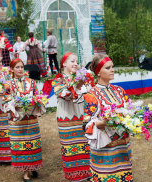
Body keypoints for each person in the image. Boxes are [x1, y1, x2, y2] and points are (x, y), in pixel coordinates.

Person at [83, 54, 133, 182]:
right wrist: (106, 122)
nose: (112, 70)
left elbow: (131, 110)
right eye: (108, 67)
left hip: (123, 145)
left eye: (112, 67)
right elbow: (87, 125)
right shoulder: (91, 95)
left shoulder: (119, 90)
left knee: (124, 176)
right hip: (105, 148)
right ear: (98, 72)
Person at [3, 58, 45, 182]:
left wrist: (38, 100)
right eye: (17, 67)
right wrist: (15, 104)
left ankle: (33, 167)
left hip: (31, 118)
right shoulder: (8, 84)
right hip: (17, 120)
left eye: (22, 67)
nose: (20, 69)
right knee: (22, 145)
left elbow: (38, 95)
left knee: (33, 143)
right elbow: (5, 101)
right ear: (12, 69)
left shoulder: (31, 82)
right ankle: (25, 174)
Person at [52, 52, 91, 181]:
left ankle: (87, 173)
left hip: (82, 115)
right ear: (64, 63)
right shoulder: (58, 79)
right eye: (72, 61)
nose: (76, 64)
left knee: (86, 144)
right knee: (71, 146)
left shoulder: (81, 77)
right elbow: (66, 96)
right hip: (67, 116)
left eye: (76, 61)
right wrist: (77, 85)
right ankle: (74, 175)